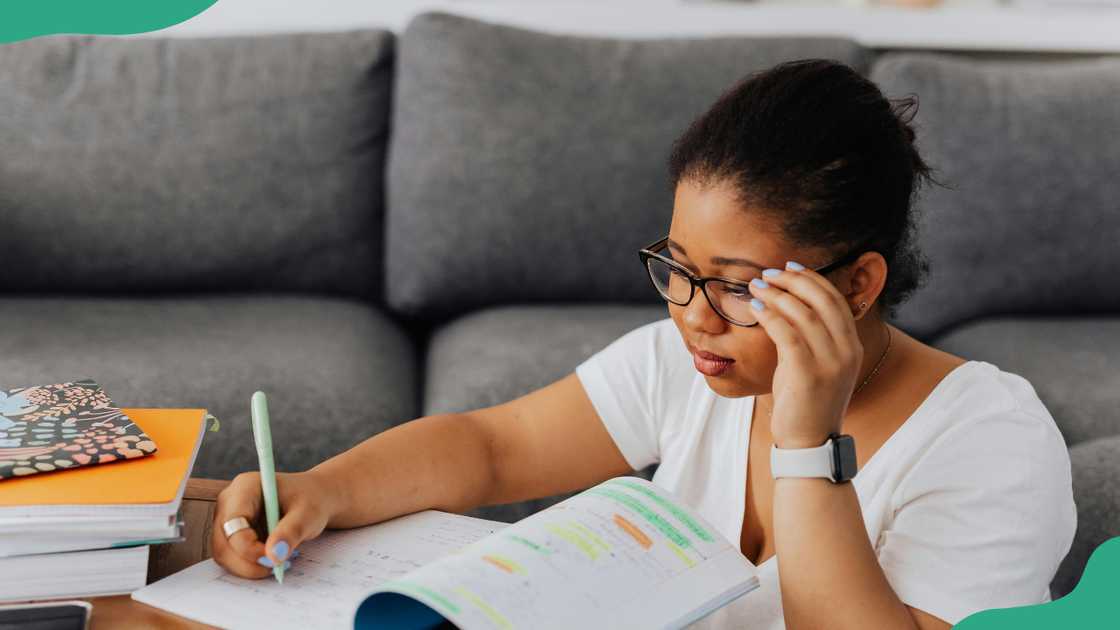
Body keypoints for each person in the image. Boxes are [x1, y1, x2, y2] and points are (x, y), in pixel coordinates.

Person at [210, 58, 1076, 629]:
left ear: (856, 284)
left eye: (738, 285)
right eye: (678, 267)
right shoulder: (691, 366)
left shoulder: (992, 440)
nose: (693, 314)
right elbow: (491, 448)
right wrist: (320, 488)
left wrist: (807, 444)